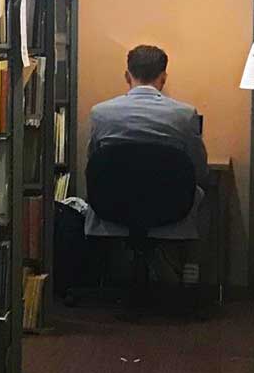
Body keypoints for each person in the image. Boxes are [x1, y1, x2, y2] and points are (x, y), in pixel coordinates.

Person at [84, 44, 206, 239]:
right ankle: (184, 267)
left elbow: (93, 165)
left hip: (112, 214)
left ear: (127, 76)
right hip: (170, 215)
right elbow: (199, 170)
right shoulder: (185, 115)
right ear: (163, 78)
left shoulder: (100, 113)